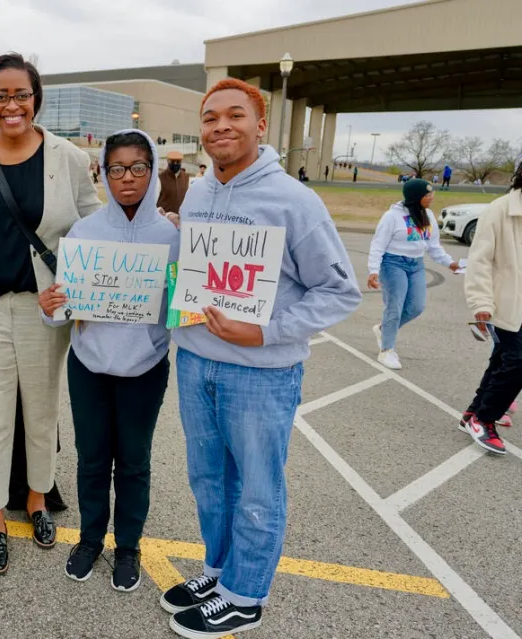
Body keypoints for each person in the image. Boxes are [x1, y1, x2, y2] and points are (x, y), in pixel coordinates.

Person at [160, 78, 361, 638]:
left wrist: (267, 331)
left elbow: (339, 290)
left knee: (256, 486)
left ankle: (246, 594)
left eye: (234, 116)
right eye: (210, 118)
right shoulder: (199, 192)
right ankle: (220, 572)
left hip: (260, 372)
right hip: (196, 360)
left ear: (260, 125)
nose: (221, 126)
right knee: (208, 479)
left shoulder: (294, 200)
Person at [0, 52, 102, 575]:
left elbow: (96, 222)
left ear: (37, 99)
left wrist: (152, 226)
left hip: (45, 308)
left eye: (21, 94)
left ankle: (36, 501)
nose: (11, 105)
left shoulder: (68, 157)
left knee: (41, 411)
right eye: (0, 95)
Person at [38, 130, 179, 592]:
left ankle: (129, 546)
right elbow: (65, 311)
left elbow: (181, 310)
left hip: (145, 369)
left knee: (134, 462)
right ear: (104, 172)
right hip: (90, 367)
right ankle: (91, 538)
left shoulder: (172, 237)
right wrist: (53, 305)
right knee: (93, 459)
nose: (127, 178)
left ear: (152, 170)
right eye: (116, 169)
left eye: (138, 167)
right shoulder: (85, 232)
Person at [459, 162, 522, 455]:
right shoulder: (500, 211)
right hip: (502, 304)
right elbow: (479, 261)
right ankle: (485, 419)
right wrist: (481, 303)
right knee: (517, 362)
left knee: (502, 360)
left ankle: (472, 414)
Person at [367, 179, 459, 370]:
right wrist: (373, 270)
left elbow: (433, 246)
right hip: (393, 264)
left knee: (416, 306)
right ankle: (387, 350)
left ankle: (384, 330)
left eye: (431, 193)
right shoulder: (392, 216)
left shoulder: (428, 215)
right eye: (427, 195)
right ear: (416, 198)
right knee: (395, 306)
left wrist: (450, 263)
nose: (431, 197)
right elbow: (378, 244)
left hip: (416, 264)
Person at [158, 150, 189, 214]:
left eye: (178, 161)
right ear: (167, 161)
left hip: (181, 218)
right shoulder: (160, 177)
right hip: (165, 218)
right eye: (172, 161)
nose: (175, 164)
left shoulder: (186, 176)